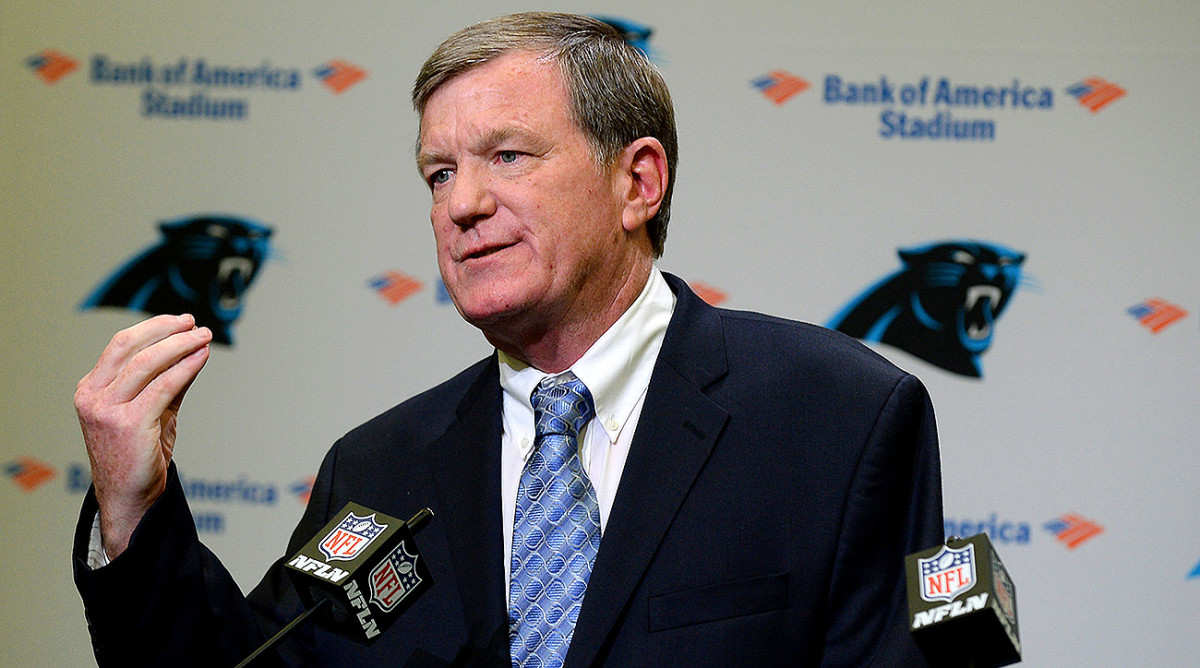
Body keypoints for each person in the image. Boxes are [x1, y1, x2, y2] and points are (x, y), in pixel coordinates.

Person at [72, 12, 943, 668]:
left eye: (508, 158)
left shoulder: (836, 416)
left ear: (638, 181)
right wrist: (132, 510)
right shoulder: (380, 467)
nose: (460, 204)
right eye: (440, 173)